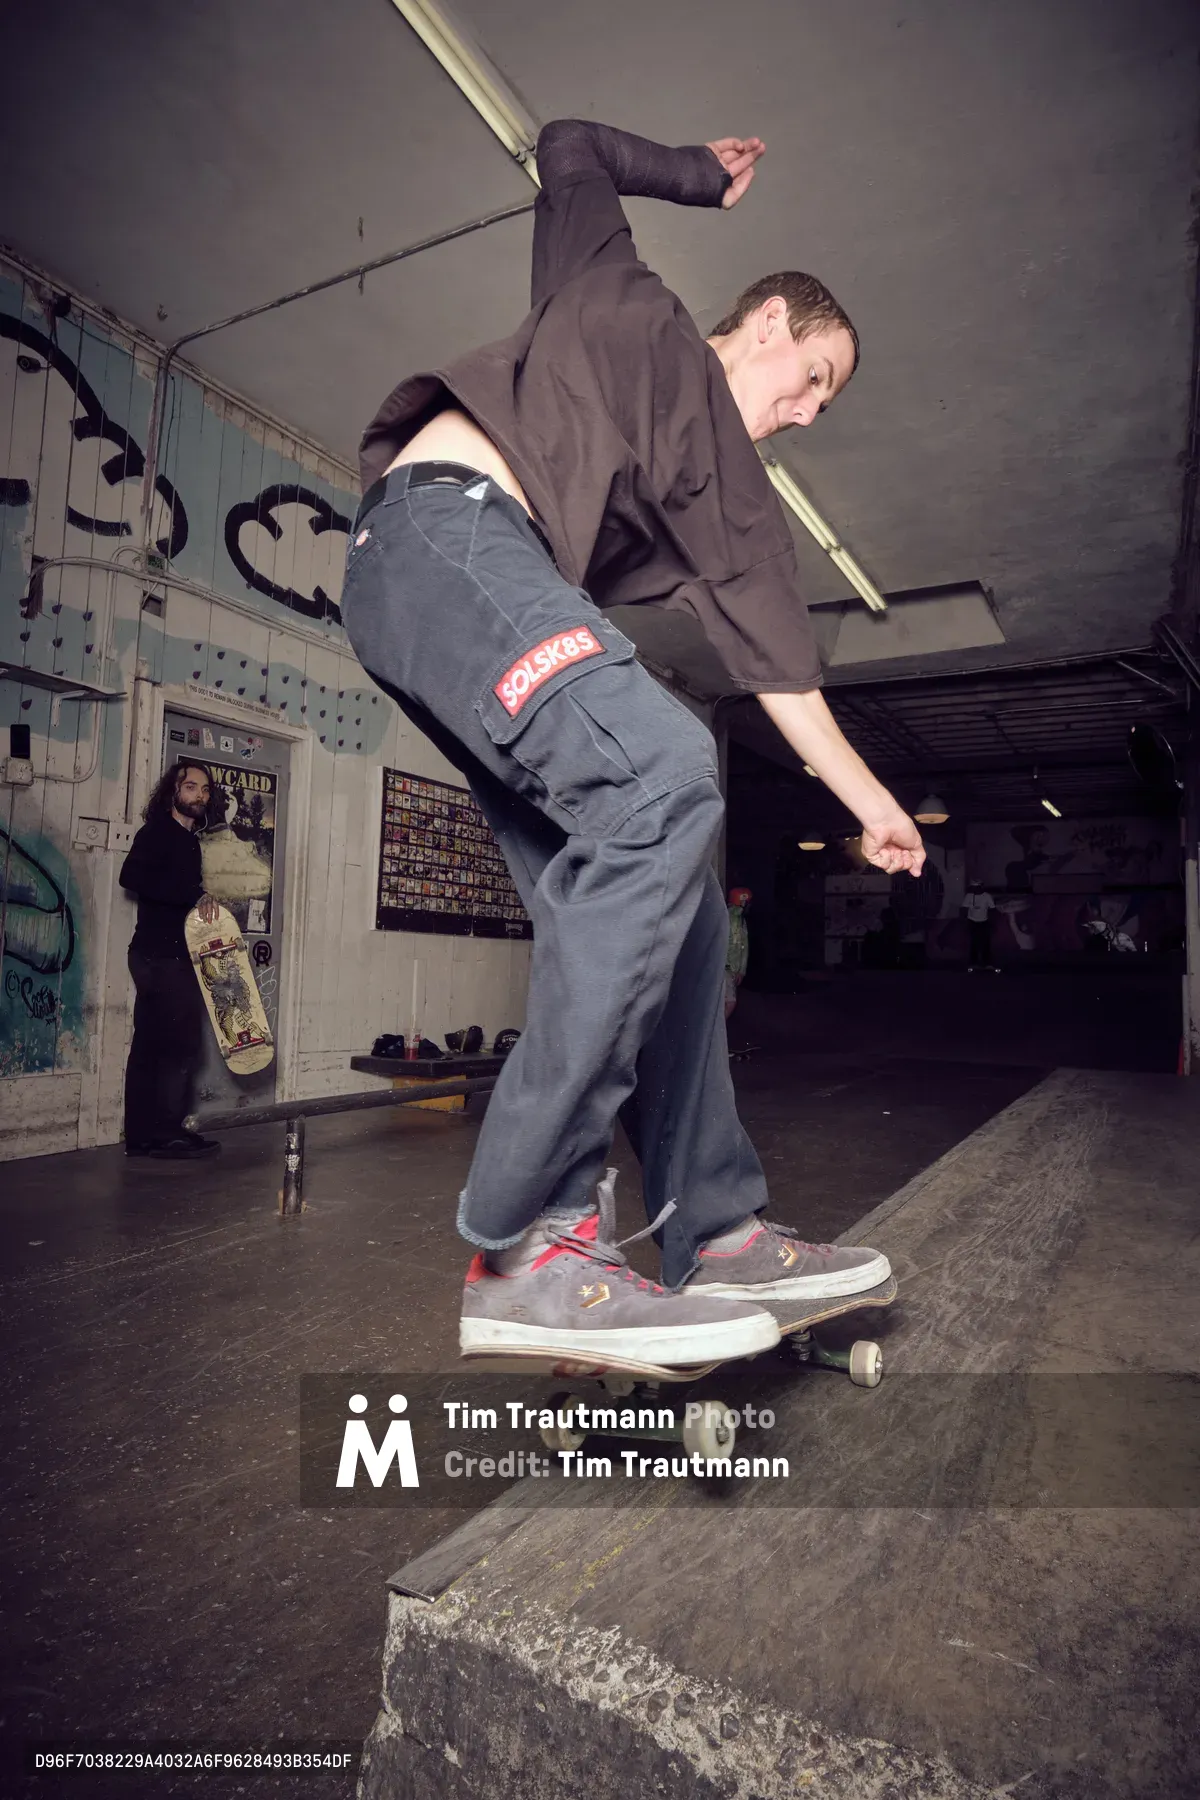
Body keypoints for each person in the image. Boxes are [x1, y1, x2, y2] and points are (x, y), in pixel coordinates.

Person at [342, 118, 925, 1366]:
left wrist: (876, 803)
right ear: (767, 322)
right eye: (814, 376)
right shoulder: (616, 292)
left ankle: (711, 1227)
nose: (811, 412)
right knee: (665, 773)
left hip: (468, 599)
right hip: (440, 538)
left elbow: (780, 666)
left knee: (685, 897)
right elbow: (567, 149)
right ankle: (528, 1242)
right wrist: (698, 178)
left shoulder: (723, 493)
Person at [120, 761, 222, 1159]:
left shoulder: (188, 841)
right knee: (179, 1046)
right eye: (192, 787)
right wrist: (191, 896)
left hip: (161, 955)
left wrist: (199, 898)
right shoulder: (159, 831)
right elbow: (131, 877)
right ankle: (166, 1133)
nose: (200, 795)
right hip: (161, 957)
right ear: (173, 792)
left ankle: (143, 1137)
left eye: (205, 790)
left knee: (150, 1046)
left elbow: (180, 890)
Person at [724, 886, 752, 1018]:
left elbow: (743, 947)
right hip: (726, 968)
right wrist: (730, 968)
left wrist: (741, 970)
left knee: (727, 1002)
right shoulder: (727, 918)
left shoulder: (741, 920)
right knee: (730, 1002)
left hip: (732, 969)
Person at [962, 879, 996, 971]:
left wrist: (992, 923)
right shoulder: (969, 896)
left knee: (985, 943)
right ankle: (973, 963)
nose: (975, 890)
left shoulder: (987, 896)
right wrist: (964, 922)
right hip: (972, 921)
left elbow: (992, 909)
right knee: (974, 942)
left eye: (976, 887)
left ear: (981, 887)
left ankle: (987, 963)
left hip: (984, 922)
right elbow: (964, 909)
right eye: (973, 888)